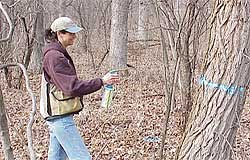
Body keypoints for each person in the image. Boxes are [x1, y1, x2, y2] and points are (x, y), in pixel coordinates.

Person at [41, 17, 119, 160]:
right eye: (71, 33)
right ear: (60, 34)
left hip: (56, 116)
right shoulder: (55, 57)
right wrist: (101, 81)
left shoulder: (55, 53)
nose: (74, 36)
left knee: (56, 157)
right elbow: (72, 87)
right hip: (60, 118)